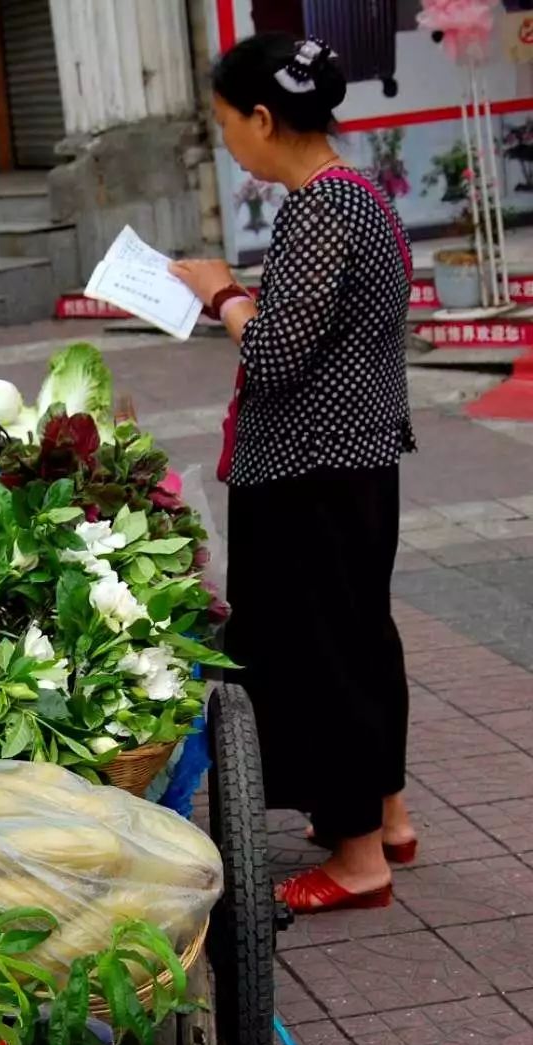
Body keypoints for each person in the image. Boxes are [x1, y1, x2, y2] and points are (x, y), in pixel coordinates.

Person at [170, 32, 417, 916]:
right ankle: (383, 815)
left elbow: (274, 355)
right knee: (359, 636)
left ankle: (358, 862)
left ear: (265, 119)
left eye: (227, 122)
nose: (227, 139)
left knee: (319, 655)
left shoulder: (319, 209)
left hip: (310, 471)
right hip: (356, 461)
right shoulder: (364, 195)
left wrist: (221, 292)